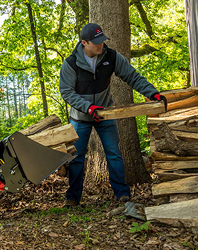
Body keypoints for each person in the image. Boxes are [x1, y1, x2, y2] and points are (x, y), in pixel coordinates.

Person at [58, 23, 166, 208]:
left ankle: (122, 195)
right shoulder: (71, 63)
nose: (101, 45)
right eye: (96, 43)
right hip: (80, 118)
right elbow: (66, 92)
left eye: (102, 41)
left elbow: (133, 76)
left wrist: (152, 93)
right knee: (77, 158)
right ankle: (73, 198)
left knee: (114, 154)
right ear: (84, 43)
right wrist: (88, 107)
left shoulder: (112, 56)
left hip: (105, 114)